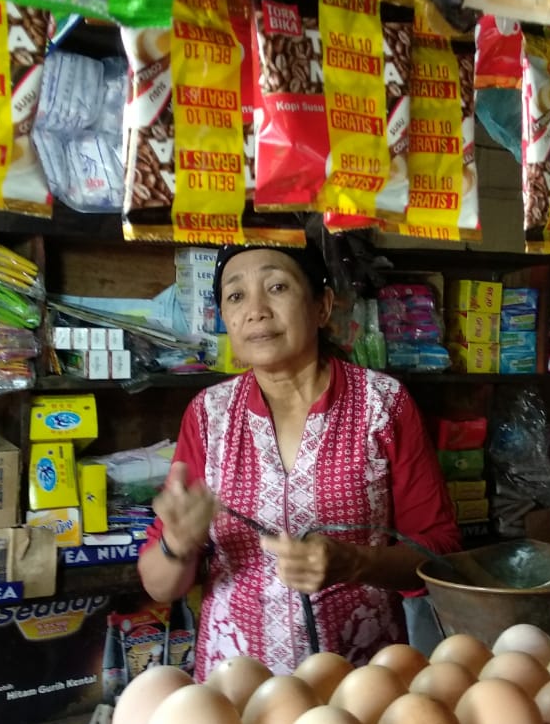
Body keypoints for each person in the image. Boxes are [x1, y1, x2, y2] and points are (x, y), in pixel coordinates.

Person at [138, 241, 461, 681]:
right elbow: (159, 585)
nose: (256, 310)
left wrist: (355, 562)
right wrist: (177, 543)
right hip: (235, 687)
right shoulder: (208, 414)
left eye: (276, 287)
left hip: (361, 682)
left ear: (322, 306)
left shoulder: (383, 405)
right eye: (236, 296)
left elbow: (439, 553)